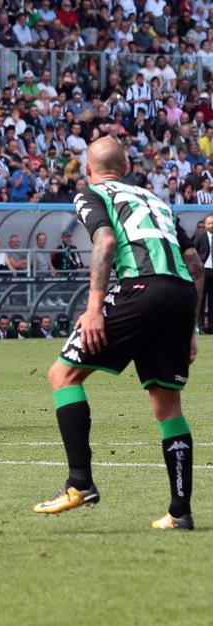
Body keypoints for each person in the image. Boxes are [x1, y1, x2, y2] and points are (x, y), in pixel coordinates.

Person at [35, 137, 205, 531]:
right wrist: (190, 328)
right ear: (126, 168)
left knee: (63, 375)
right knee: (167, 406)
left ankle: (80, 483)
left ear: (89, 170)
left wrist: (94, 309)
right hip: (180, 295)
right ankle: (180, 511)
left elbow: (106, 241)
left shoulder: (91, 193)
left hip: (139, 289)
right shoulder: (156, 201)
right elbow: (194, 264)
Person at [194, 214, 213, 333]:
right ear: (205, 225)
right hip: (203, 272)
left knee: (212, 302)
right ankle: (200, 327)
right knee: (200, 301)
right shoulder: (200, 237)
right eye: (209, 223)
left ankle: (211, 327)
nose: (212, 225)